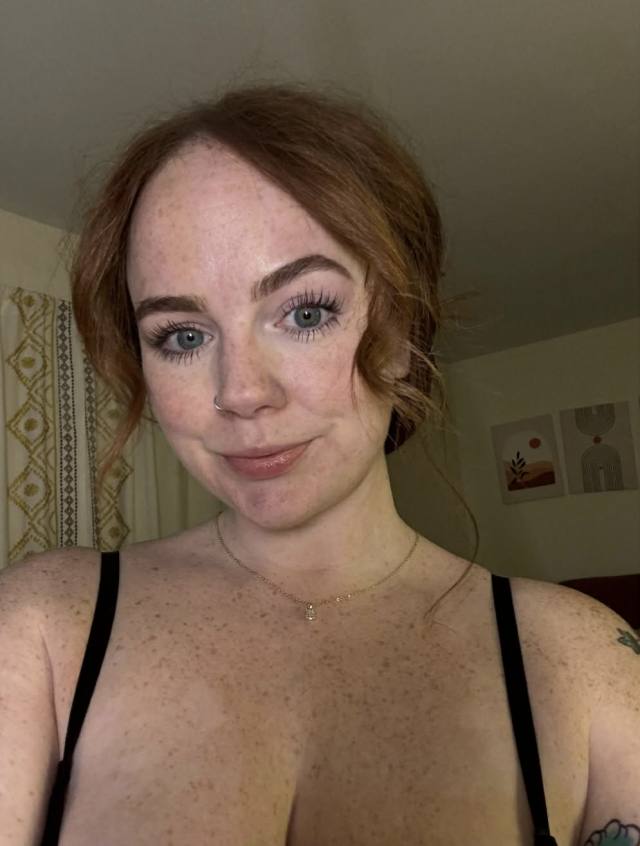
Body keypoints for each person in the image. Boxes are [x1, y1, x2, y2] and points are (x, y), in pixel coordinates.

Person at [0, 84, 638, 846]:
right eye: (182, 336)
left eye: (305, 313)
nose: (241, 393)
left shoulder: (581, 661)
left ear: (402, 333)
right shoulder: (42, 627)